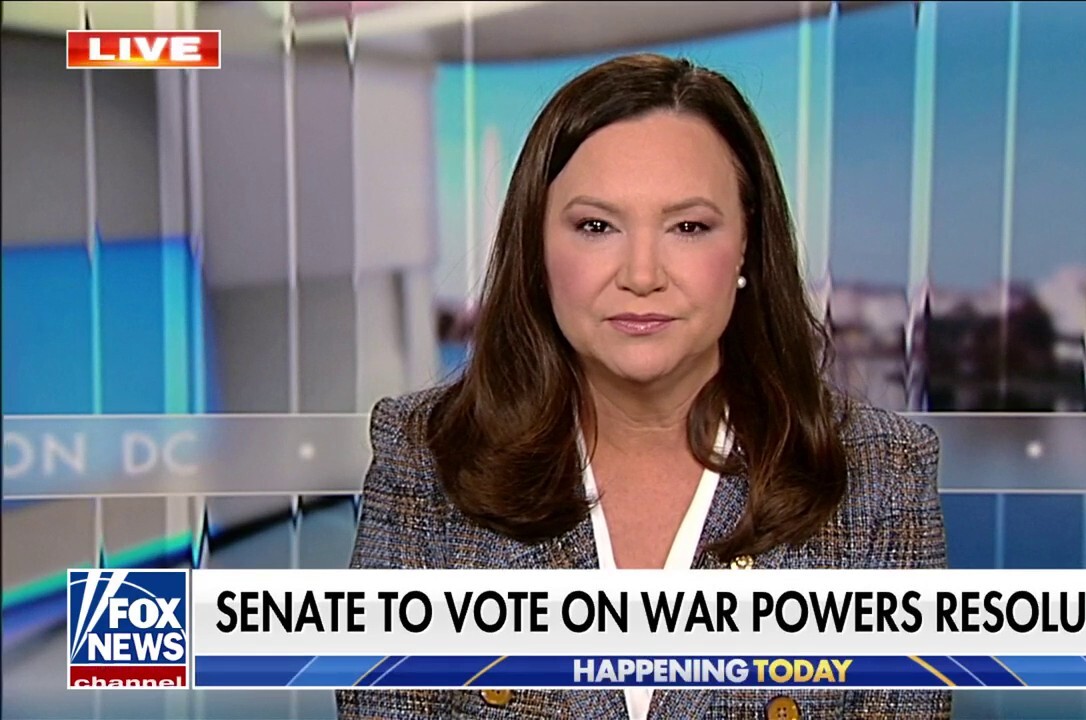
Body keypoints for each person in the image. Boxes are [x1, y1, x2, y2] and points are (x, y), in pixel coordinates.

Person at [338, 53, 949, 719]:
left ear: (747, 244)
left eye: (688, 227)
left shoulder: (881, 476)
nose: (641, 274)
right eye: (596, 226)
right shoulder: (425, 456)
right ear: (538, 245)